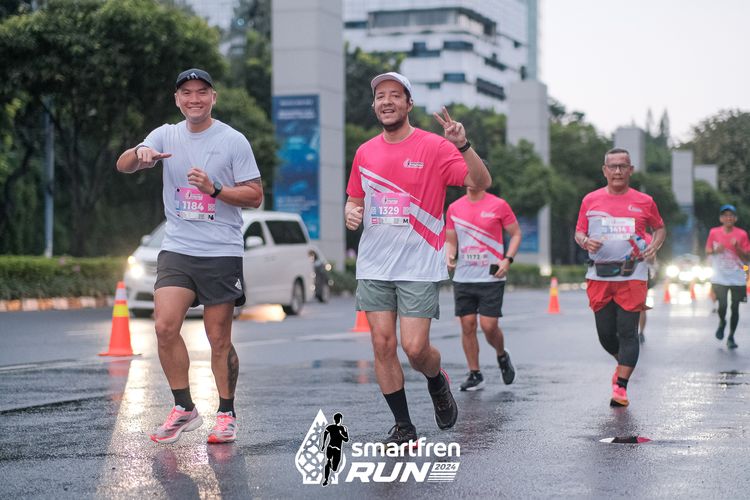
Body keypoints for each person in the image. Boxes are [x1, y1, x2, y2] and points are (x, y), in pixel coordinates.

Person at [116, 68, 263, 443]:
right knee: (164, 327)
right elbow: (124, 165)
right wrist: (139, 153)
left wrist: (215, 189)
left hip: (221, 251)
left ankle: (226, 413)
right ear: (177, 99)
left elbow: (255, 195)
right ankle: (184, 407)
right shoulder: (165, 134)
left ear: (213, 97)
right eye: (186, 93)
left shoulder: (232, 140)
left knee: (218, 338)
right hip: (178, 248)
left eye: (201, 92)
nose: (194, 99)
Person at [345, 72, 491, 445]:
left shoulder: (434, 147)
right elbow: (355, 199)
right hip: (374, 264)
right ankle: (403, 425)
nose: (387, 101)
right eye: (380, 95)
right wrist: (351, 212)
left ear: (409, 104)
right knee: (382, 344)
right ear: (374, 105)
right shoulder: (365, 152)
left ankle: (436, 379)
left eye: (395, 95)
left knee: (415, 349)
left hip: (419, 264)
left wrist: (463, 145)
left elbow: (480, 182)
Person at [574, 148, 666, 407]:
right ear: (604, 170)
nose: (617, 171)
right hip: (599, 275)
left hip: (633, 275)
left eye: (622, 166)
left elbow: (659, 228)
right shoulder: (590, 200)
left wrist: (654, 246)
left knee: (628, 332)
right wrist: (585, 241)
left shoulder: (644, 201)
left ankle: (621, 386)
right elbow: (579, 232)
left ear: (630, 170)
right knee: (606, 336)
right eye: (612, 166)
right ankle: (623, 362)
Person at [445, 185, 522, 390]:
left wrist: (508, 259)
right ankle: (475, 373)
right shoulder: (454, 208)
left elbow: (515, 234)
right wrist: (449, 255)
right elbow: (450, 240)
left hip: (491, 276)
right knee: (468, 325)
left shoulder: (499, 205)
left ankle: (502, 355)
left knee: (489, 326)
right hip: (464, 277)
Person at [705, 204, 750, 349]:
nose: (728, 218)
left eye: (731, 215)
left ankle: (731, 337)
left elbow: (747, 257)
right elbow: (708, 250)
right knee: (722, 305)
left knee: (735, 308)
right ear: (721, 218)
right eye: (725, 215)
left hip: (737, 277)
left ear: (735, 218)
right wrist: (715, 250)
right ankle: (722, 322)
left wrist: (737, 247)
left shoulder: (742, 234)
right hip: (719, 277)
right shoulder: (714, 232)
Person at [320, 413, 349, 486]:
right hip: (333, 448)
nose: (338, 420)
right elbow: (325, 434)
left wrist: (340, 434)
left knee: (334, 468)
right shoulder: (332, 427)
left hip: (334, 449)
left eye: (338, 419)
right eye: (337, 419)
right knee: (329, 463)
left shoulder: (342, 428)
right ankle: (326, 479)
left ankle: (329, 468)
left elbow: (346, 439)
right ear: (335, 420)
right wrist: (323, 444)